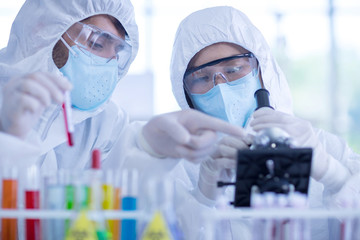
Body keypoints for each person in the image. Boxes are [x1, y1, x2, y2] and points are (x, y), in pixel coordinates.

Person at [168, 6, 360, 239]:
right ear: (186, 94)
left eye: (234, 69)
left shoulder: (324, 147)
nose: (220, 86)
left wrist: (332, 173)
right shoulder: (179, 167)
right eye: (202, 77)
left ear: (262, 70)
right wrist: (203, 197)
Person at [0, 0, 245, 179]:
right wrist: (9, 142)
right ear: (43, 31)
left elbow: (117, 209)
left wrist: (146, 153)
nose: (109, 62)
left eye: (117, 53)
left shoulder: (106, 124)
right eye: (97, 43)